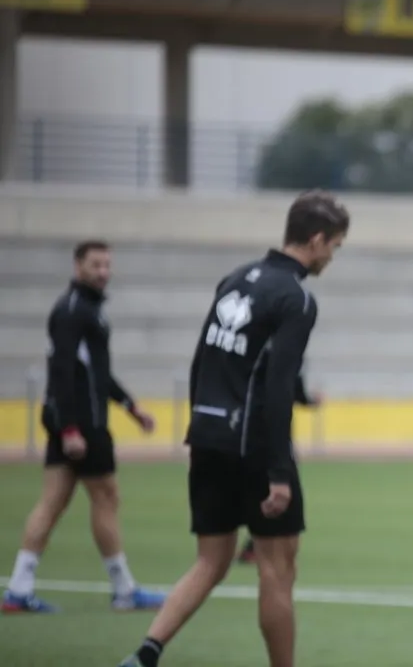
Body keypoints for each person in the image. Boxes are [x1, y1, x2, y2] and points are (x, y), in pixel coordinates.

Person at [118, 189, 350, 667]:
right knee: (277, 568)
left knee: (211, 560)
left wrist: (198, 427)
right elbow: (279, 388)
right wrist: (280, 474)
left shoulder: (236, 278)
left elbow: (203, 361)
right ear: (317, 239)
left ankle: (144, 654)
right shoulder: (296, 299)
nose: (333, 256)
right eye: (335, 246)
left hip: (207, 437)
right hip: (255, 449)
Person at [3, 241, 165, 615]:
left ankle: (18, 589)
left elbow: (97, 373)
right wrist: (71, 428)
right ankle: (124, 589)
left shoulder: (89, 309)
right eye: (96, 264)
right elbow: (61, 370)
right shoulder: (73, 311)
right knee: (106, 496)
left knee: (53, 501)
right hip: (83, 423)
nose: (104, 271)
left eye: (108, 264)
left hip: (74, 418)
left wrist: (129, 406)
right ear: (78, 266)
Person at [235, 377, 322, 566]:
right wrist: (311, 400)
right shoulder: (280, 361)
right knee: (277, 496)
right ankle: (257, 546)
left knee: (260, 493)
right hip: (275, 446)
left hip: (246, 440)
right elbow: (294, 390)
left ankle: (253, 545)